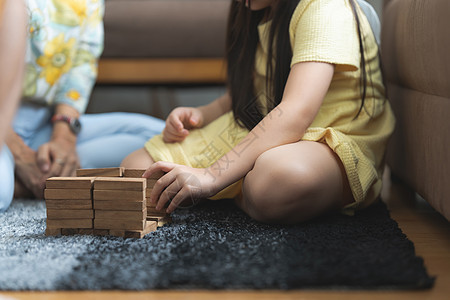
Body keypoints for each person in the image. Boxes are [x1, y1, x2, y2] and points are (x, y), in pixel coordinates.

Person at [121, 0, 395, 224]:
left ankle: (237, 188)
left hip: (328, 139)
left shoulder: (325, 7)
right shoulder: (262, 12)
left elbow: (296, 111)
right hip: (267, 128)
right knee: (136, 172)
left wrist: (213, 174)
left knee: (277, 180)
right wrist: (200, 114)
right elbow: (250, 93)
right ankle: (241, 187)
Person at [0, 0, 164, 212]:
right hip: (6, 122)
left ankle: (48, 171)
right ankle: (22, 181)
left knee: (159, 137)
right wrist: (19, 154)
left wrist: (63, 139)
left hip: (42, 124)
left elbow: (81, 65)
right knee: (1, 194)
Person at [0, 0, 27, 212]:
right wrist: (21, 153)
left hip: (44, 120)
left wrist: (64, 130)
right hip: (9, 127)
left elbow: (82, 64)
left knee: (146, 136)